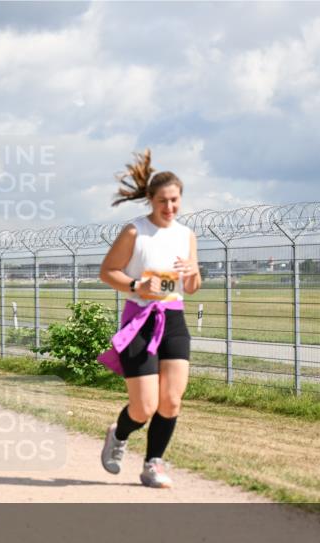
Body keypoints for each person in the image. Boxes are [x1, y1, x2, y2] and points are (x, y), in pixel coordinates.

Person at [97, 150, 201, 488]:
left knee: (171, 400)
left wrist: (194, 273)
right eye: (162, 201)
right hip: (140, 319)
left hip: (173, 319)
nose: (169, 207)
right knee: (144, 407)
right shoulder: (135, 232)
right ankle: (120, 433)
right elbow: (107, 272)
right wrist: (136, 284)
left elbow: (193, 287)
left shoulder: (187, 236)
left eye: (174, 200)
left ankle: (152, 464)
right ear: (150, 200)